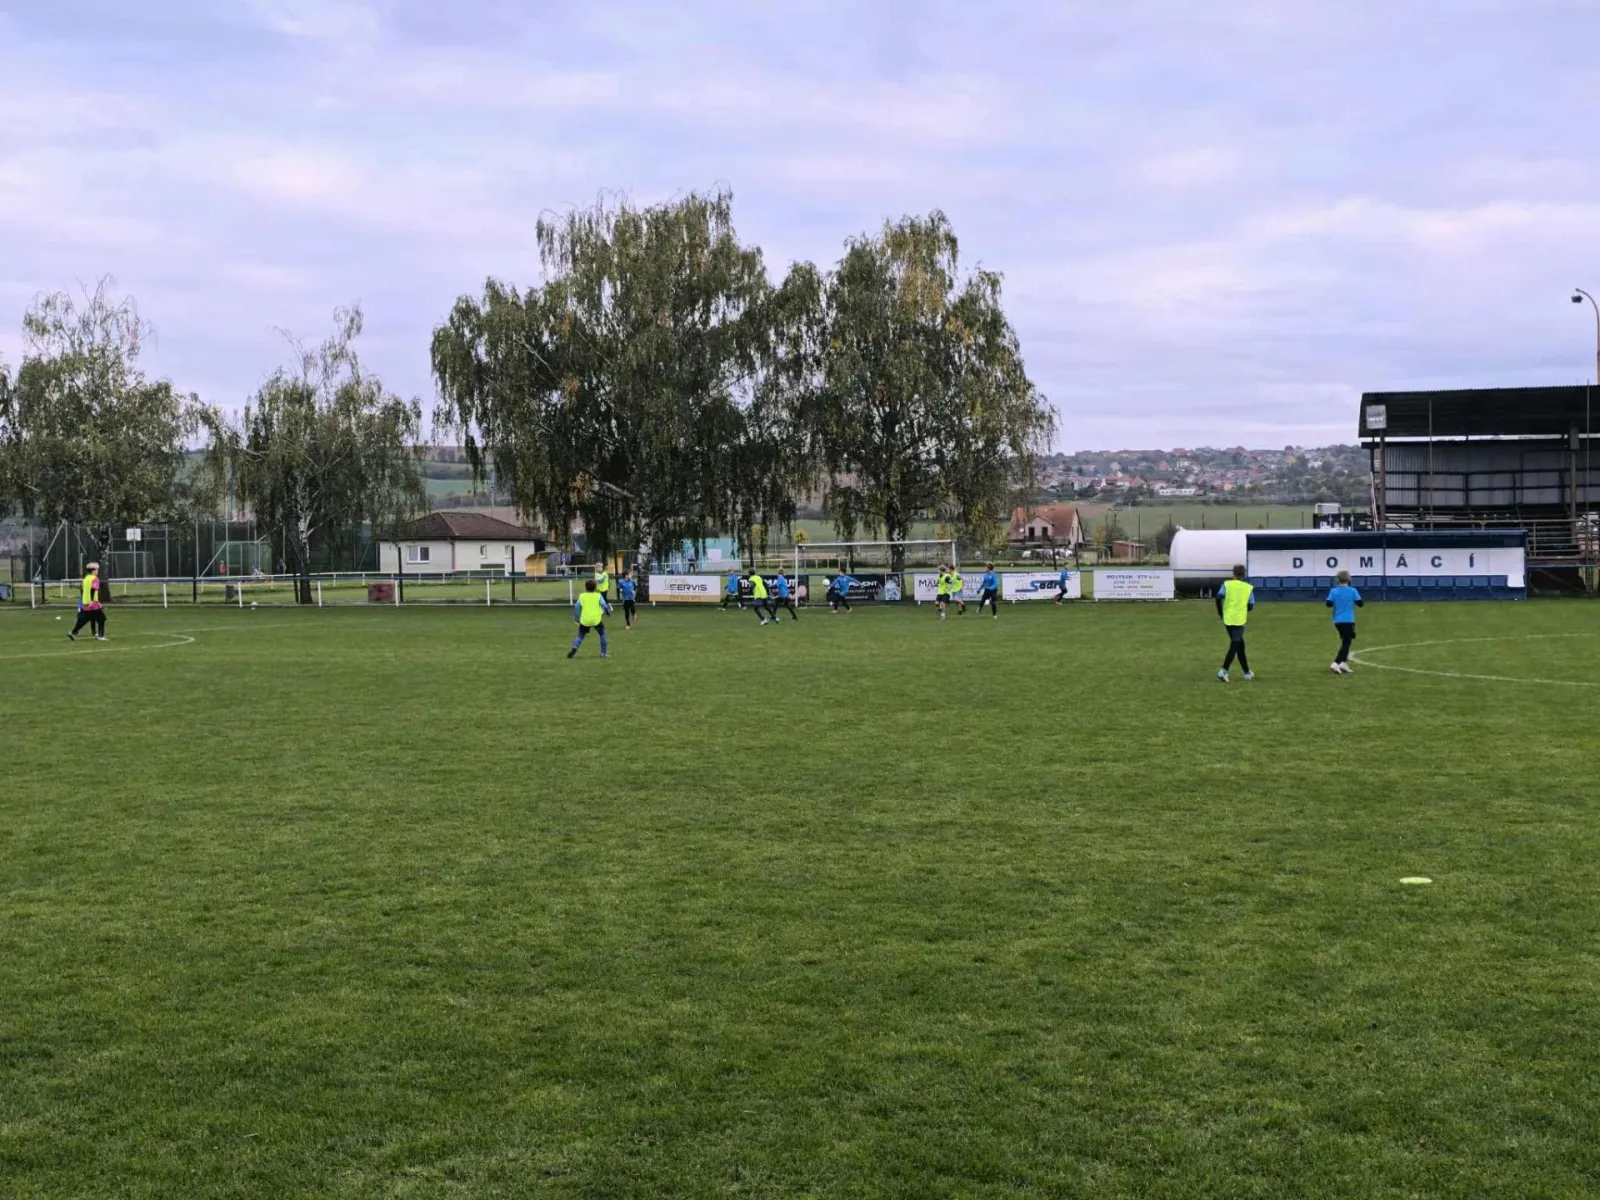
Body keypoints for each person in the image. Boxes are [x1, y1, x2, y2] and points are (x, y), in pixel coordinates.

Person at [1215, 564, 1255, 682]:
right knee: (1235, 644)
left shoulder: (1227, 584)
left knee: (1240, 645)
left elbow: (1218, 598)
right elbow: (1251, 605)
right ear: (1244, 574)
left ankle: (1247, 673)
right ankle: (1223, 671)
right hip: (1239, 619)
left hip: (1227, 618)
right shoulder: (1248, 588)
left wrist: (1220, 613)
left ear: (1233, 573)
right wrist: (1243, 609)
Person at [1326, 569, 1364, 674]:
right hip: (1348, 620)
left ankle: (1343, 663)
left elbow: (1328, 604)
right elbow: (1360, 603)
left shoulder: (1334, 591)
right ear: (1348, 579)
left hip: (1337, 620)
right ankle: (1336, 663)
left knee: (1346, 641)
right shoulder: (1352, 591)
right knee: (1346, 643)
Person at [567, 579, 612, 659]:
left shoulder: (582, 596)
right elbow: (604, 606)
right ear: (595, 588)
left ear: (586, 587)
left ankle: (575, 647)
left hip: (585, 620)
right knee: (602, 634)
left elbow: (577, 607)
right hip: (596, 619)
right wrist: (608, 613)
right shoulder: (598, 596)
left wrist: (576, 618)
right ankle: (603, 653)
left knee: (580, 636)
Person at [68, 561, 105, 642]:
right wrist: (92, 601)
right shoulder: (95, 579)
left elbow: (84, 591)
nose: (97, 571)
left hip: (85, 602)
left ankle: (73, 632)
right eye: (97, 569)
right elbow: (93, 590)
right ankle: (100, 636)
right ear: (93, 570)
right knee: (101, 619)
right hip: (92, 603)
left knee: (85, 619)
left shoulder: (86, 579)